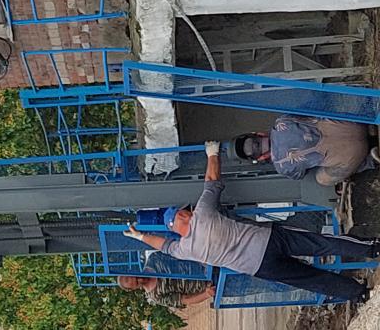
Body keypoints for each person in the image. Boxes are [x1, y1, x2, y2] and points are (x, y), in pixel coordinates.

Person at [124, 141, 380, 303]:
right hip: (269, 239)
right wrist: (212, 153)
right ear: (182, 216)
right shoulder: (203, 214)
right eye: (184, 212)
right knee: (323, 243)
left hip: (259, 267)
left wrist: (140, 237)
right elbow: (212, 180)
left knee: (310, 279)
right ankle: (372, 249)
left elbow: (164, 246)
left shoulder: (185, 249)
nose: (188, 211)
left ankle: (359, 294)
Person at [231, 115, 378, 185]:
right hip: (355, 125)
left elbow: (300, 174)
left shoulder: (282, 167)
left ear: (261, 158)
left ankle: (371, 160)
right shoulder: (282, 121)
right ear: (258, 134)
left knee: (321, 179)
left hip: (355, 154)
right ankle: (369, 129)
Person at [116, 273, 214, 309]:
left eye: (136, 276)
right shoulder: (156, 296)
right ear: (134, 289)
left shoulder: (154, 261)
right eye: (137, 283)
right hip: (208, 285)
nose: (141, 279)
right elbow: (186, 300)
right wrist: (207, 294)